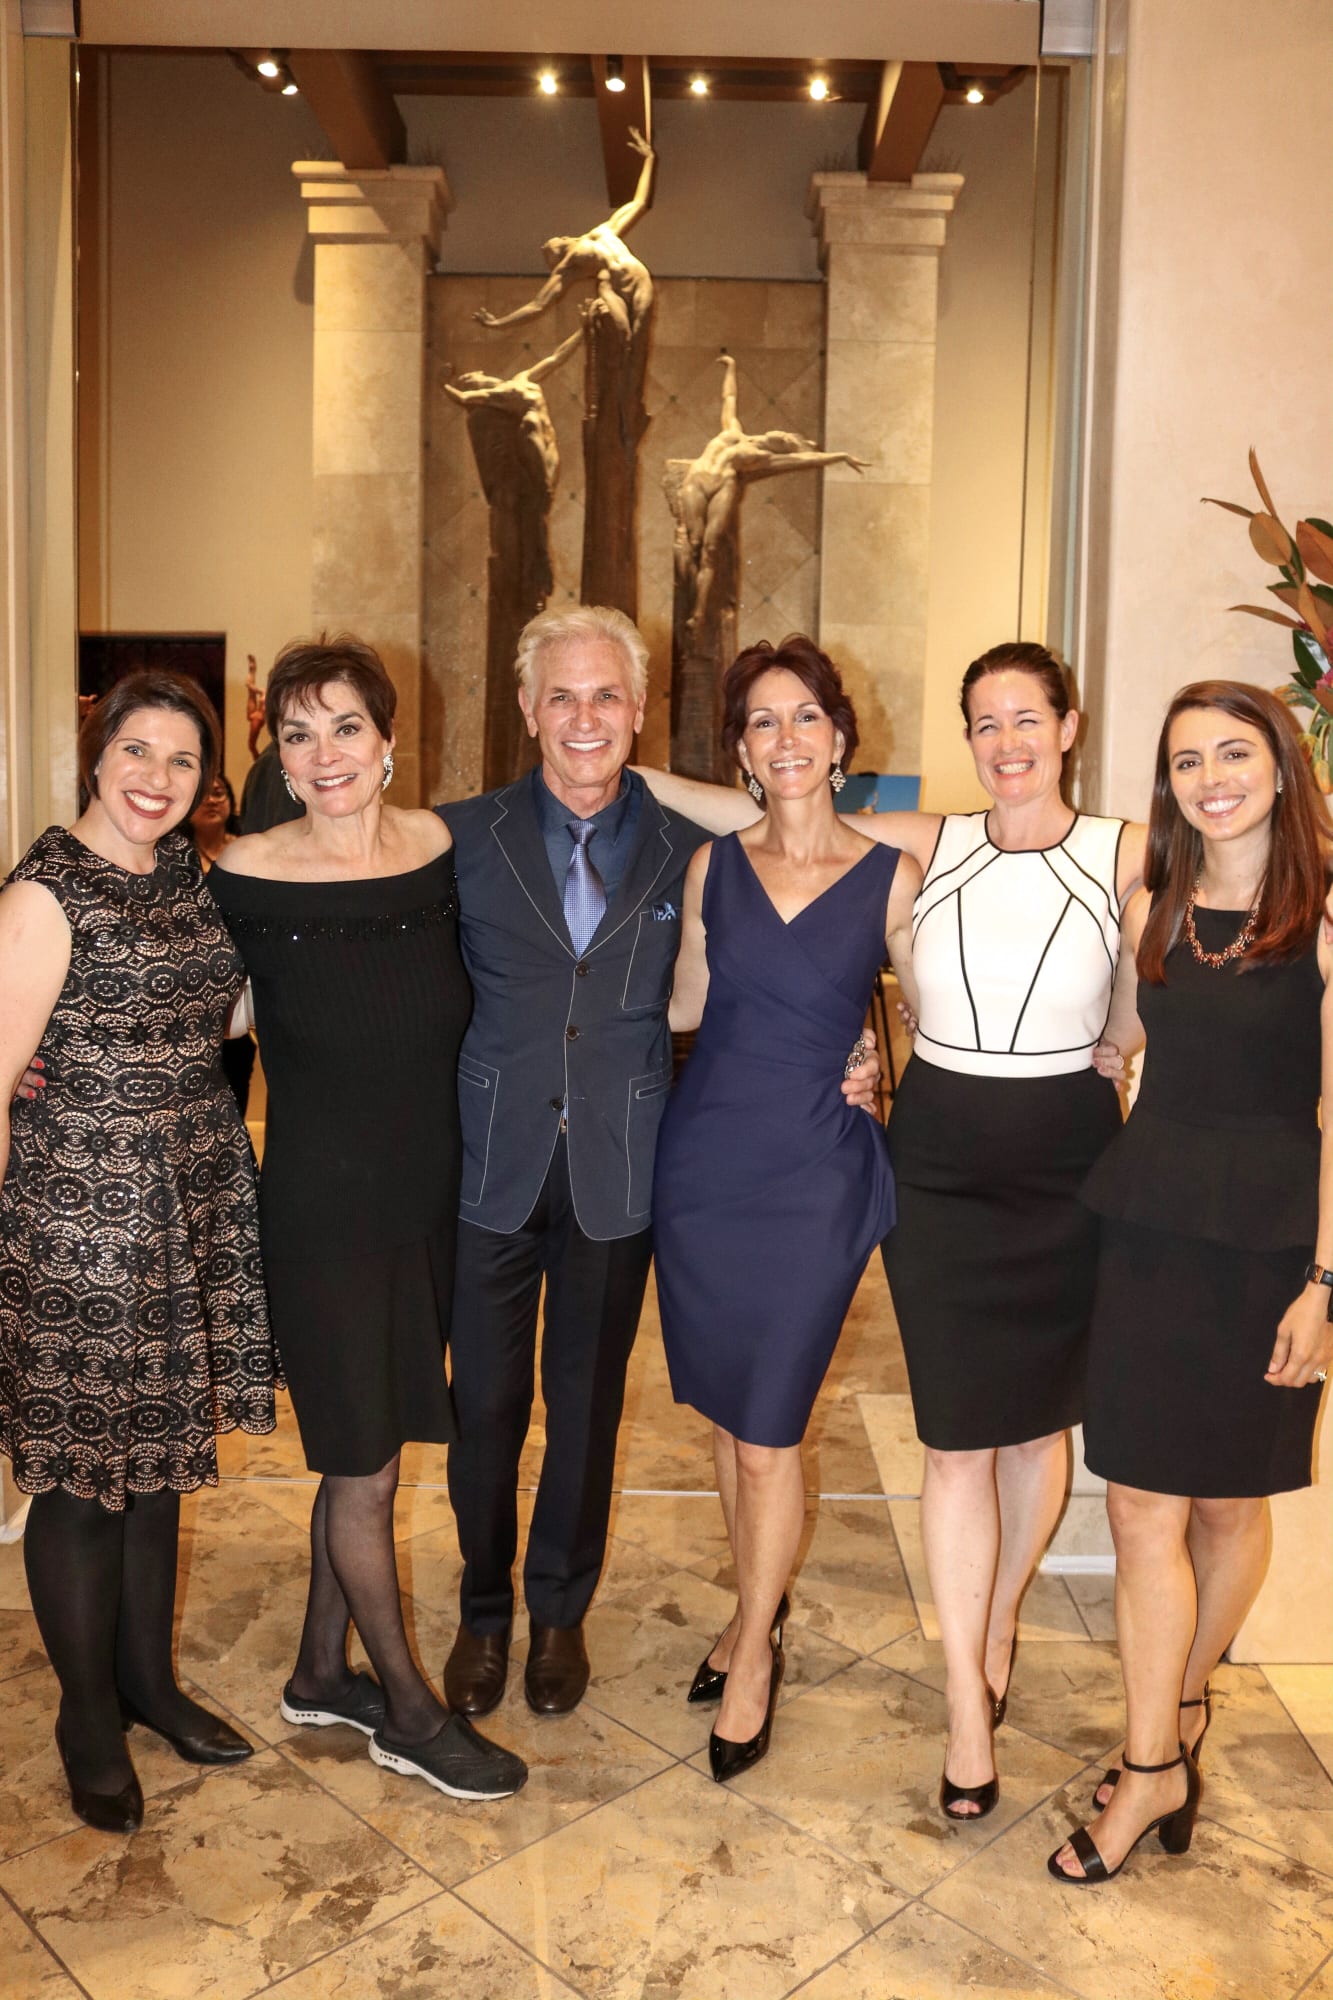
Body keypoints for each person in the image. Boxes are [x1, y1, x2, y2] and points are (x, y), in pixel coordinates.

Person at [639, 640, 1144, 1820]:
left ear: (1067, 725)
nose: (1007, 741)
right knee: (773, 1422)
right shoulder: (833, 855)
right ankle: (765, 1619)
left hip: (948, 1160)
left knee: (966, 1421)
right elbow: (704, 983)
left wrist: (1120, 1041)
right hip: (796, 1159)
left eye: (1027, 718)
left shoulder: (1025, 854)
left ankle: (915, 1631)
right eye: (985, 722)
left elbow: (1137, 952)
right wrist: (618, 769)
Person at [435, 604, 882, 1721]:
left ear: (638, 710)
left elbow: (813, 844)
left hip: (628, 1164)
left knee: (586, 1409)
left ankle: (559, 1613)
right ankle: (482, 1611)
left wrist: (856, 1045)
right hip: (490, 1163)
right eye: (562, 695)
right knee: (484, 1406)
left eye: (606, 695)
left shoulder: (696, 845)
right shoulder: (461, 837)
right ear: (527, 708)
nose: (584, 717)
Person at [208, 636, 527, 1804]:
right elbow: (169, 1012)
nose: (325, 752)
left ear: (388, 740)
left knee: (368, 1445)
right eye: (298, 734)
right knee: (365, 1468)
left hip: (429, 1202)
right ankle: (406, 1709)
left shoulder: (442, 850)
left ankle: (315, 1671)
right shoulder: (241, 874)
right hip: (321, 1215)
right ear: (279, 760)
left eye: (346, 725)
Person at [1049, 681, 1332, 1883]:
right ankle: (1153, 1756)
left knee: (1225, 1504)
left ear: (1281, 765)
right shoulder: (1151, 906)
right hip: (1148, 1226)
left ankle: (1179, 1704)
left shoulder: (1323, 920)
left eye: (1233, 752)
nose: (1210, 778)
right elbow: (1125, 1034)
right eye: (1184, 761)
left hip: (1267, 1249)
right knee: (1136, 1503)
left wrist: (1323, 1283)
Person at [0, 670, 277, 1835]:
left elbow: (220, 1012)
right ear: (97, 751)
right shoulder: (45, 891)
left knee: (159, 1457)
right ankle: (86, 1713)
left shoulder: (189, 875)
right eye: (136, 749)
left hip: (190, 1192)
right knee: (81, 1476)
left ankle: (148, 1681)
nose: (156, 776)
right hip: (81, 1215)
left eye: (181, 758)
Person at [655, 638, 919, 1782]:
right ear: (742, 751)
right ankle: (749, 1607)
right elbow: (684, 1008)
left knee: (768, 1433)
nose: (787, 737)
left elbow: (929, 1018)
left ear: (840, 736)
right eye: (762, 721)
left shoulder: (891, 873)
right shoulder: (710, 869)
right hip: (705, 1166)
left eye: (805, 715)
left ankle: (756, 1650)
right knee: (728, 1423)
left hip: (815, 1176)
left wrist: (877, 1069)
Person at [474, 129, 655, 344]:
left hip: (638, 276)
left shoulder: (603, 230)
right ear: (556, 259)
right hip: (617, 288)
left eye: (549, 243)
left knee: (640, 339)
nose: (545, 246)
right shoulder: (569, 267)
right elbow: (538, 305)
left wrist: (649, 160)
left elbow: (639, 204)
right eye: (546, 251)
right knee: (628, 342)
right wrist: (498, 323)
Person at [189, 772, 256, 1117]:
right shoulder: (176, 856)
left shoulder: (248, 850)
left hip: (241, 981)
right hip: (195, 986)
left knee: (237, 1081)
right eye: (204, 794)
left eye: (219, 793)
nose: (213, 801)